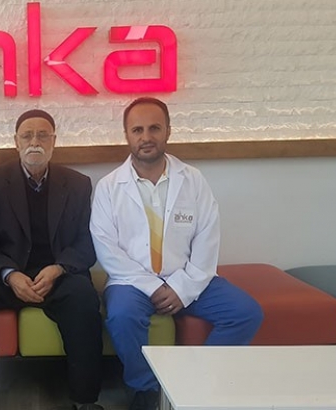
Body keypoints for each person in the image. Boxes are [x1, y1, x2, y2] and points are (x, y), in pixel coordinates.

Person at [90, 97, 264, 410]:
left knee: (246, 312)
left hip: (188, 276)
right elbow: (107, 249)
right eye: (138, 130)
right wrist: (154, 287)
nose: (146, 137)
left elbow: (208, 238)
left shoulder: (193, 180)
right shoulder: (109, 187)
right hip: (133, 282)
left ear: (168, 131)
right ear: (126, 135)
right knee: (122, 316)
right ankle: (145, 389)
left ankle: (194, 382)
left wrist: (182, 288)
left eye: (154, 128)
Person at [0, 109, 104, 410]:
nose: (35, 142)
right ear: (16, 141)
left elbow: (86, 243)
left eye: (43, 135)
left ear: (54, 141)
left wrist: (58, 269)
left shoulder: (78, 184)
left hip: (56, 275)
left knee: (85, 297)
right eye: (27, 135)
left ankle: (85, 400)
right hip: (6, 276)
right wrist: (9, 273)